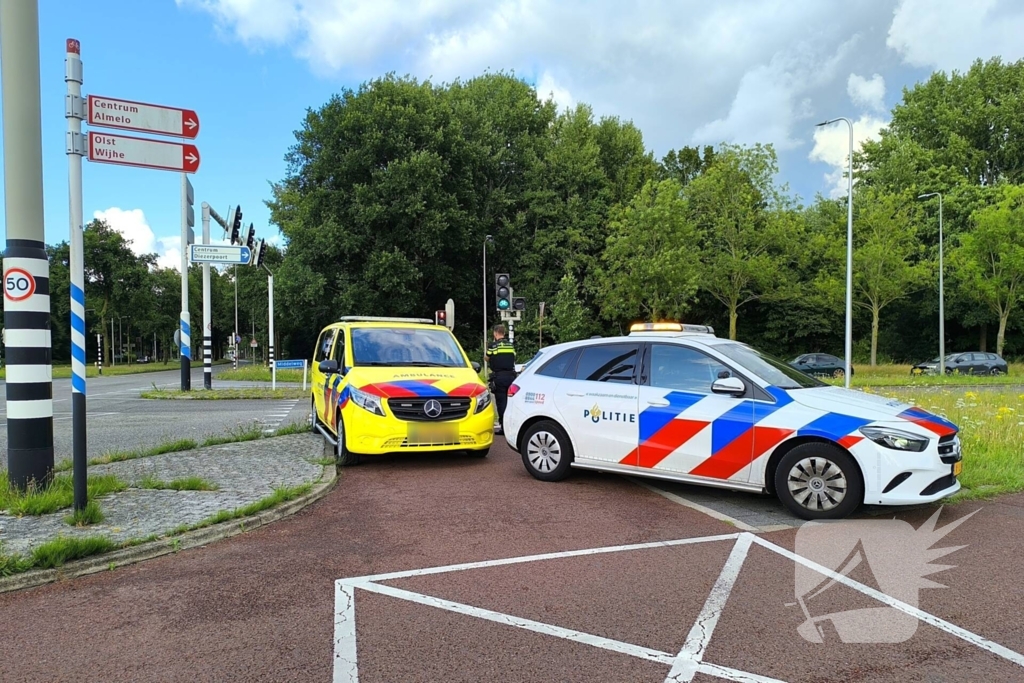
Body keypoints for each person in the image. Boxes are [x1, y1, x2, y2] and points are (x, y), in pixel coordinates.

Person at [486, 323, 517, 433]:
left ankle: (504, 427)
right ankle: (511, 426)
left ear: (495, 333)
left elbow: (487, 357)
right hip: (511, 377)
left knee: (501, 402)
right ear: (504, 333)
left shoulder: (493, 346)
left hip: (499, 377)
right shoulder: (511, 345)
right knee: (510, 402)